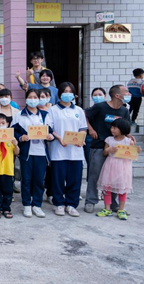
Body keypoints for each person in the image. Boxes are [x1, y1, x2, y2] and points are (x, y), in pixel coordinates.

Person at [84, 84, 131, 214]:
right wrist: (91, 129)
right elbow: (84, 114)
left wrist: (129, 137)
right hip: (99, 146)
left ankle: (114, 204)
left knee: (115, 177)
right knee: (95, 175)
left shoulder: (124, 111)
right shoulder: (100, 107)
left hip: (117, 150)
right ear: (117, 95)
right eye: (126, 92)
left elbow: (126, 127)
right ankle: (90, 201)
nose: (128, 94)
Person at [11, 89, 55, 218]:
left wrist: (50, 136)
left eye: (35, 97)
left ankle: (37, 204)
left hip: (41, 152)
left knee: (39, 180)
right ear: (26, 99)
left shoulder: (45, 115)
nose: (33, 99)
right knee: (26, 180)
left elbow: (50, 130)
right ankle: (26, 205)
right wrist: (21, 138)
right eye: (30, 97)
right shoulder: (20, 115)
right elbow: (13, 131)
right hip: (27, 152)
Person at [48, 82, 88, 217]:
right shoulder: (53, 110)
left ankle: (71, 204)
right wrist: (59, 139)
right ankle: (59, 203)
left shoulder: (79, 110)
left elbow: (83, 128)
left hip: (75, 151)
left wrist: (81, 139)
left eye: (70, 91)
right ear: (59, 94)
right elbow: (49, 128)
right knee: (58, 179)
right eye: (64, 91)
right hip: (58, 150)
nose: (67, 94)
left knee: (75, 179)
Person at [96, 118, 140, 220]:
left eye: (115, 128)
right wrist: (108, 149)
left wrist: (138, 151)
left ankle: (121, 209)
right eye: (112, 127)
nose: (112, 129)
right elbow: (104, 153)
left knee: (122, 188)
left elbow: (133, 153)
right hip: (110, 165)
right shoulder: (109, 140)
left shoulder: (128, 141)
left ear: (122, 129)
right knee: (107, 188)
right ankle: (107, 209)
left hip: (123, 167)